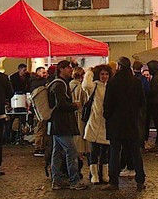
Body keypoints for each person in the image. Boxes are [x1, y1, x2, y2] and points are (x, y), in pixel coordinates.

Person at [103, 58, 146, 189]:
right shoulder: (136, 82)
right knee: (135, 152)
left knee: (115, 153)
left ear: (119, 67)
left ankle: (113, 181)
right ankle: (140, 180)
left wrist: (107, 116)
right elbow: (142, 102)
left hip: (116, 123)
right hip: (132, 122)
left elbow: (107, 104)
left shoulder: (113, 82)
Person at [45, 60, 86, 190]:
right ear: (61, 69)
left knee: (57, 152)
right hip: (62, 123)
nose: (70, 70)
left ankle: (56, 180)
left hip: (56, 123)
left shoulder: (56, 83)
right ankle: (74, 180)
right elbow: (61, 104)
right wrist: (74, 105)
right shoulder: (60, 85)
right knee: (71, 151)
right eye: (68, 68)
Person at [81, 64, 112, 185]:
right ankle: (94, 174)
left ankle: (104, 173)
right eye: (102, 74)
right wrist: (89, 72)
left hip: (106, 123)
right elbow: (86, 85)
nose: (104, 76)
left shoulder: (110, 87)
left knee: (105, 150)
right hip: (94, 121)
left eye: (106, 74)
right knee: (93, 150)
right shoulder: (94, 86)